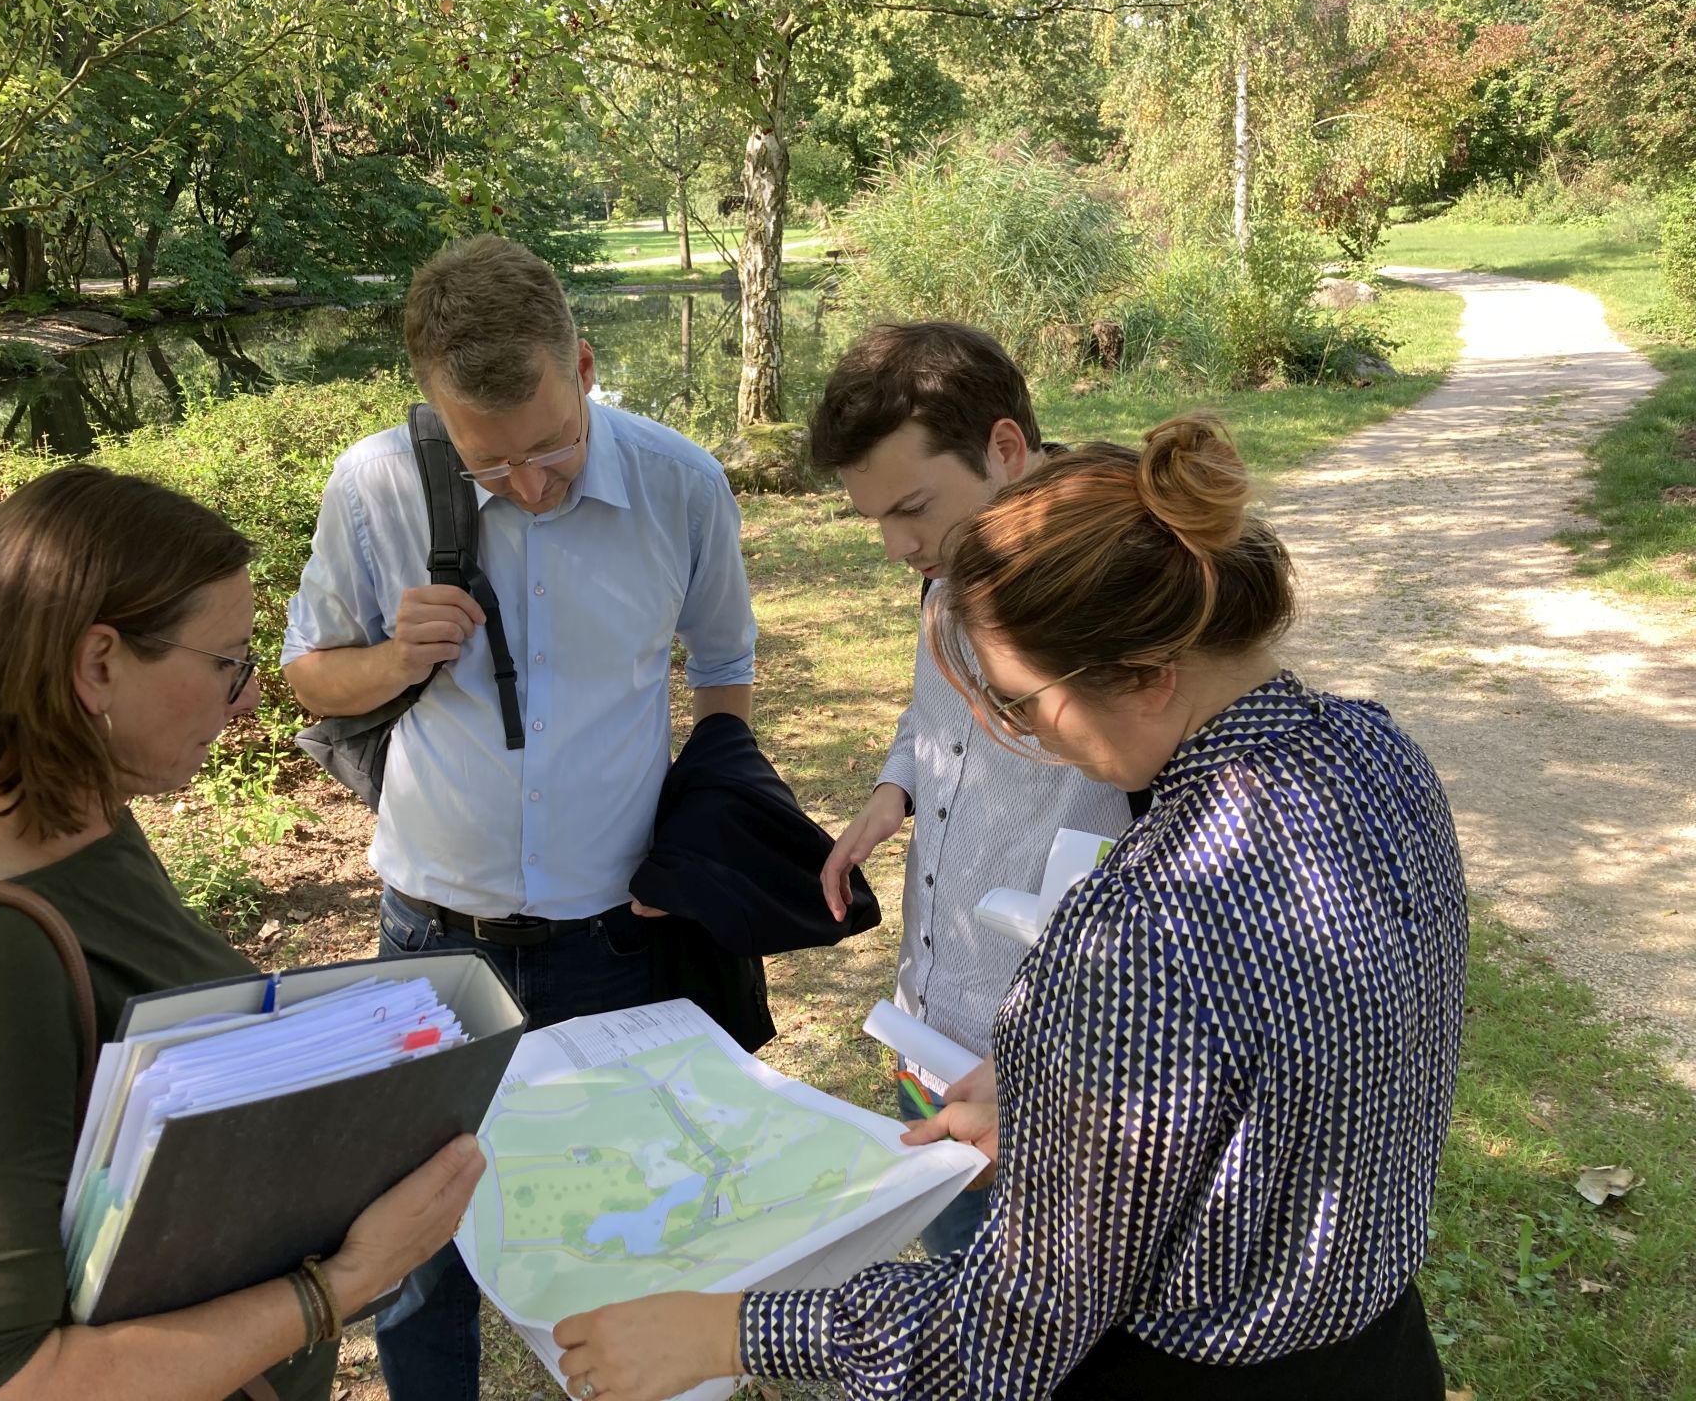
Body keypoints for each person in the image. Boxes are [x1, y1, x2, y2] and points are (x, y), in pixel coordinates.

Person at [551, 416, 1466, 1400]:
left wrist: (727, 1329)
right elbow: (1280, 1059)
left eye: (1024, 704)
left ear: (1150, 678)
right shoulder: (1378, 760)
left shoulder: (1139, 932)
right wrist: (1054, 1084)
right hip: (1383, 1353)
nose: (1023, 736)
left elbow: (1009, 1333)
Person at [0, 465, 485, 1401]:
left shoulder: (77, 813)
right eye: (227, 663)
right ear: (98, 663)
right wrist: (342, 1285)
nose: (247, 702)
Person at [281, 234, 757, 1400]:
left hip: (618, 938)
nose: (532, 485)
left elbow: (727, 672)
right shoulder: (377, 486)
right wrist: (394, 655)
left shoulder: (681, 482)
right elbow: (308, 676)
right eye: (492, 467)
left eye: (551, 445)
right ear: (438, 413)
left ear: (584, 364)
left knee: (628, 1215)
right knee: (416, 1247)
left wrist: (705, 831)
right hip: (432, 942)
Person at [810, 321, 1131, 1255]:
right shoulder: (953, 565)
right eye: (874, 518)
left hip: (1055, 1066)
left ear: (1004, 447)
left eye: (912, 506)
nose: (895, 545)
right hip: (929, 1016)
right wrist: (893, 789)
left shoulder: (1112, 591)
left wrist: (1068, 1062)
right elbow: (932, 715)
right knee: (953, 1267)